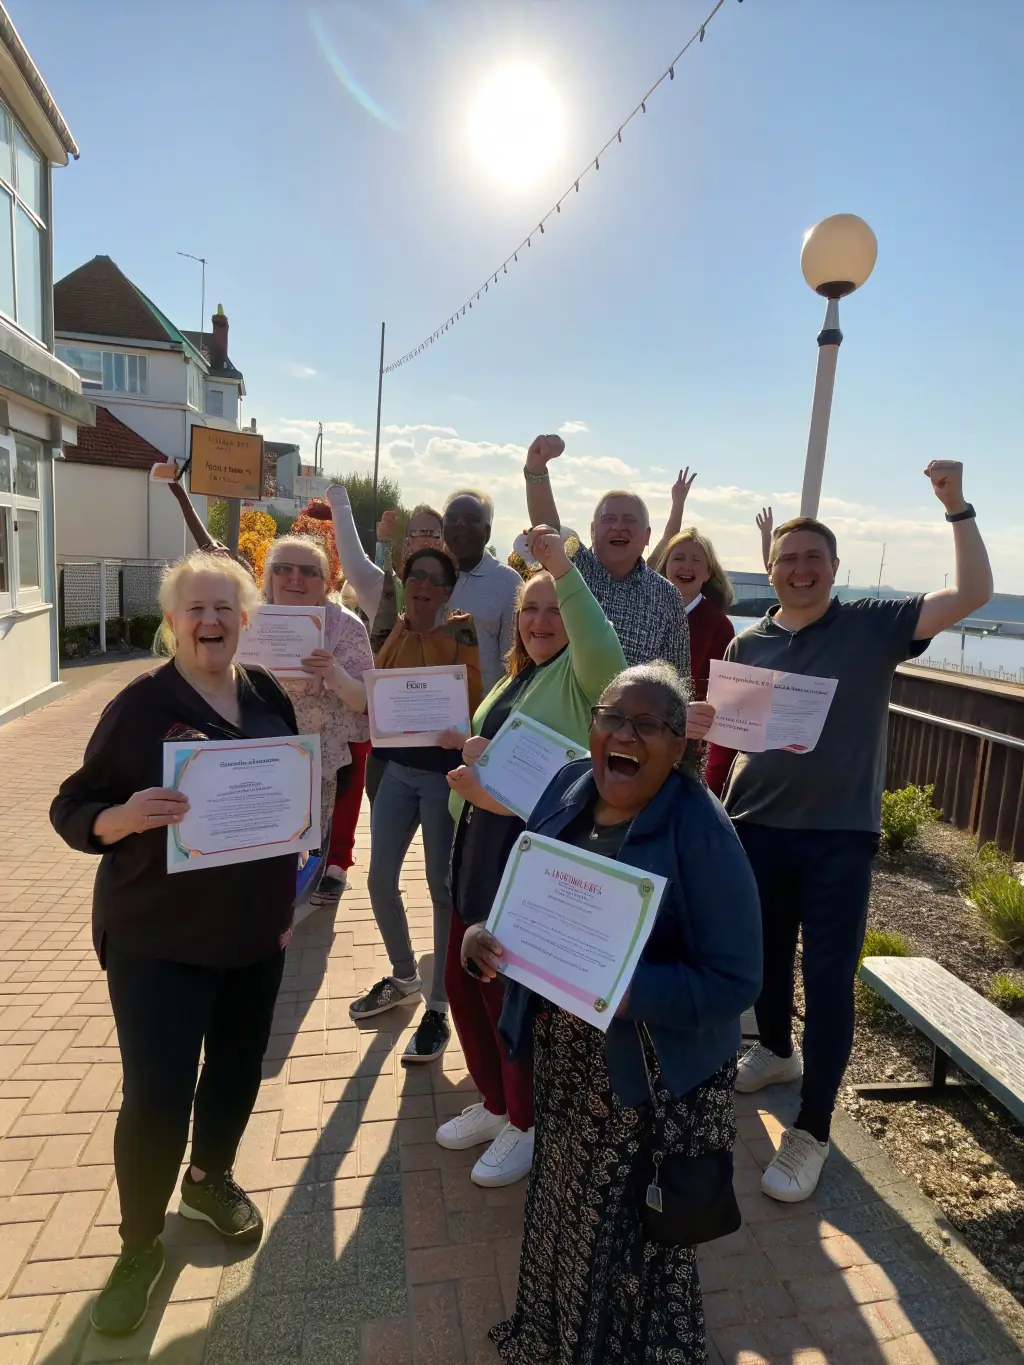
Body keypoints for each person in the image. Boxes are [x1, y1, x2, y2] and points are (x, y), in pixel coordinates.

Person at [707, 461, 992, 1203]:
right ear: (771, 570)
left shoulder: (872, 625)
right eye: (787, 559)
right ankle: (774, 1050)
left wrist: (957, 508)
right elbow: (730, 740)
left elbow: (972, 595)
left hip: (838, 835)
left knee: (828, 977)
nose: (799, 569)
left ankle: (815, 1127)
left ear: (834, 567)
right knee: (763, 959)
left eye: (813, 558)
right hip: (754, 824)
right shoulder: (747, 647)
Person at [462, 663, 761, 1364]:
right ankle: (556, 1335)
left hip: (648, 1082)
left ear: (680, 743)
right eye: (611, 717)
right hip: (569, 1058)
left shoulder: (702, 830)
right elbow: (525, 893)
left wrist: (634, 992)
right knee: (565, 1208)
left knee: (629, 1233)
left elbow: (737, 977)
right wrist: (486, 935)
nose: (623, 734)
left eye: (648, 723)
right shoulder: (569, 783)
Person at [49, 552, 299, 1337]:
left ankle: (209, 1176)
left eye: (224, 608)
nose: (210, 622)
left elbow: (286, 801)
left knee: (233, 1070)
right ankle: (138, 1242)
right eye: (195, 608)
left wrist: (286, 900)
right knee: (157, 1093)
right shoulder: (140, 706)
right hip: (155, 936)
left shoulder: (269, 698)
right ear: (173, 618)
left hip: (252, 935)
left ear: (245, 618)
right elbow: (71, 804)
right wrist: (120, 817)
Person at [440, 526, 627, 1188]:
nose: (542, 620)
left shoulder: (588, 679)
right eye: (530, 609)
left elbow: (601, 646)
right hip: (479, 846)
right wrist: (467, 753)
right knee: (462, 981)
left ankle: (527, 1119)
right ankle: (495, 1102)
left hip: (530, 853)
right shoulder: (521, 674)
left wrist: (561, 568)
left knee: (505, 992)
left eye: (554, 608)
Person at [350, 547, 483, 1063]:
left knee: (440, 887)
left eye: (435, 579)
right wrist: (407, 630)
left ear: (449, 590)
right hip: (396, 773)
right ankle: (404, 976)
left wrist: (459, 722)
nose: (423, 585)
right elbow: (375, 688)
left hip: (442, 777)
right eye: (415, 577)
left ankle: (440, 1006)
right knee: (379, 879)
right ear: (405, 583)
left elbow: (470, 696)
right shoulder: (393, 627)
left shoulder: (462, 630)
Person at [261, 534, 374, 910]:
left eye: (308, 571)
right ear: (269, 576)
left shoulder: (348, 628)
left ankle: (329, 871)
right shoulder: (250, 622)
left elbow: (364, 703)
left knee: (316, 862)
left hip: (330, 760)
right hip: (267, 760)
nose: (295, 579)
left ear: (325, 580)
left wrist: (333, 673)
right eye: (283, 569)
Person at [523, 434, 691, 677]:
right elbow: (547, 529)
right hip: (561, 709)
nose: (618, 527)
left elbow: (678, 676)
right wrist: (536, 469)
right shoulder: (572, 567)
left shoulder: (667, 596)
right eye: (608, 519)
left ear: (646, 536)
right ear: (592, 531)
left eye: (629, 521)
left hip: (629, 713)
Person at [326, 483, 444, 642]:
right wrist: (340, 502)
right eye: (418, 531)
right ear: (406, 541)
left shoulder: (458, 589)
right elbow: (355, 567)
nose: (426, 538)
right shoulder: (388, 589)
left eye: (434, 532)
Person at [443, 489, 524, 694]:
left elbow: (513, 664)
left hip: (483, 713)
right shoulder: (426, 576)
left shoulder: (508, 583)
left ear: (487, 533)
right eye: (452, 518)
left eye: (471, 519)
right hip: (430, 708)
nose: (460, 524)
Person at [654, 528, 736, 700]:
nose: (687, 566)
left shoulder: (720, 627)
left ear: (708, 573)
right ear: (665, 566)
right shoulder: (645, 611)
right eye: (678, 558)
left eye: (696, 560)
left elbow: (718, 692)